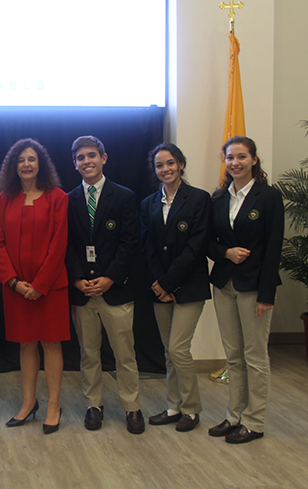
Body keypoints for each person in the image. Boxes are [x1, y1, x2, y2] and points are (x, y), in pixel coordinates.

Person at [207, 136, 284, 444]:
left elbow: (273, 247)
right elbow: (208, 241)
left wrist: (267, 295)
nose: (235, 163)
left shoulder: (268, 197)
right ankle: (234, 415)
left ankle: (254, 421)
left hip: (254, 287)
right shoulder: (218, 197)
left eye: (241, 157)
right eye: (230, 158)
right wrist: (225, 254)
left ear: (254, 159)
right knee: (233, 356)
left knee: (255, 356)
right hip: (224, 284)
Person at [65, 135, 144, 434]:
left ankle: (132, 407)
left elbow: (130, 243)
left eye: (92, 156)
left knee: (125, 354)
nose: (87, 161)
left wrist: (110, 278)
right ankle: (93, 405)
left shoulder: (123, 196)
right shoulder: (69, 199)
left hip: (116, 290)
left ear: (104, 158)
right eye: (81, 158)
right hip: (83, 292)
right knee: (89, 353)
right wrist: (77, 279)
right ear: (75, 164)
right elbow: (68, 245)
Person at [0, 138, 68, 434]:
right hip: (16, 288)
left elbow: (59, 244)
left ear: (41, 164)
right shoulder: (4, 199)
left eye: (32, 159)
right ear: (13, 166)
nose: (26, 164)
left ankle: (53, 405)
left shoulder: (58, 197)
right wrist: (13, 281)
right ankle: (28, 403)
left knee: (51, 343)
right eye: (20, 159)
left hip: (50, 288)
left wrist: (39, 284)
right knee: (26, 344)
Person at [140, 143, 211, 432]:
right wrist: (160, 283)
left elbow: (196, 247)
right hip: (160, 289)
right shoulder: (149, 203)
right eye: (159, 165)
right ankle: (173, 406)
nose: (165, 169)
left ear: (180, 164)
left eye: (170, 163)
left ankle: (192, 409)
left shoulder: (199, 199)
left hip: (189, 287)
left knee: (179, 348)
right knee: (169, 352)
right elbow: (148, 247)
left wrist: (169, 283)